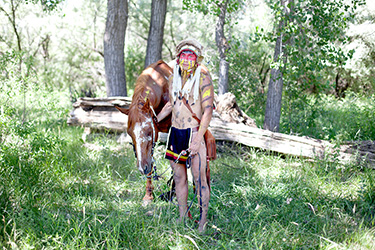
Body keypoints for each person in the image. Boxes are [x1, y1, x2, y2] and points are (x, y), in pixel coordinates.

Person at [157, 38, 214, 232]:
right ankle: (182, 218)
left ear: (197, 59)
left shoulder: (203, 77)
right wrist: (155, 119)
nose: (187, 59)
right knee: (179, 178)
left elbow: (207, 111)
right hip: (176, 133)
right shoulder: (174, 77)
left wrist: (198, 140)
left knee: (199, 180)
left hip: (193, 133)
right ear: (178, 57)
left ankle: (202, 222)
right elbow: (172, 104)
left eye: (191, 55)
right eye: (184, 55)